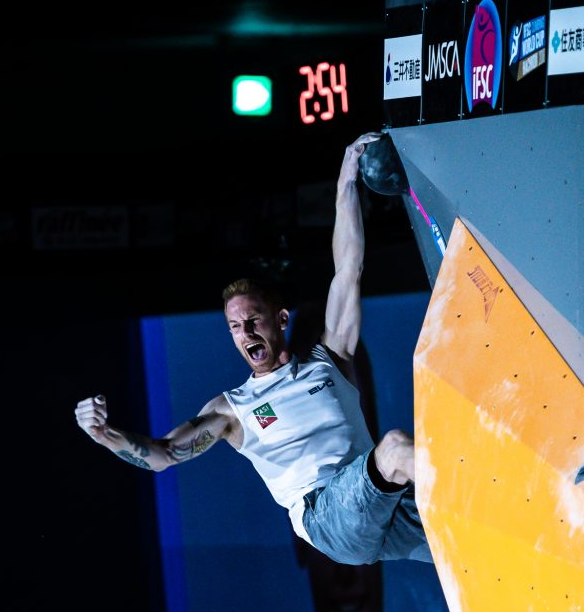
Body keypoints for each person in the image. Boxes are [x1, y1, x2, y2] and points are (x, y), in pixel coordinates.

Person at [74, 132, 431, 565]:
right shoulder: (233, 411)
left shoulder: (329, 359)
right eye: (234, 327)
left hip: (378, 508)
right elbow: (164, 454)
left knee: (466, 531)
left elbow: (348, 268)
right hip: (326, 518)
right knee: (394, 449)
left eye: (252, 320)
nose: (244, 333)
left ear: (280, 320)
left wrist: (344, 183)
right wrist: (105, 436)